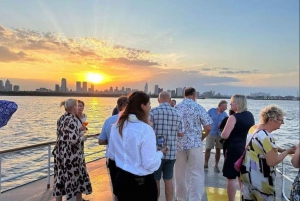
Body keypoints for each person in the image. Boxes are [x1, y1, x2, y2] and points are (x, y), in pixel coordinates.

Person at [107, 91, 168, 201]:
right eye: (149, 104)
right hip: (141, 186)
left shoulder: (116, 126)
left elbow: (111, 155)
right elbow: (149, 164)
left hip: (122, 181)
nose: (150, 107)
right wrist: (160, 154)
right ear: (142, 106)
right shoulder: (145, 129)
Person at [240, 105, 296, 201]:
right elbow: (272, 162)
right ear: (271, 120)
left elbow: (260, 146)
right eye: (280, 120)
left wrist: (280, 150)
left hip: (247, 175)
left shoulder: (254, 128)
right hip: (261, 180)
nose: (282, 123)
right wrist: (287, 152)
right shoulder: (267, 136)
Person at [174, 87, 212, 201]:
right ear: (194, 95)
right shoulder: (198, 107)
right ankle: (194, 198)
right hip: (195, 144)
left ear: (183, 95)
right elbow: (208, 127)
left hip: (179, 144)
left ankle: (180, 198)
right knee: (196, 174)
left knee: (179, 174)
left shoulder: (177, 107)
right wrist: (201, 137)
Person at [52, 99, 92, 201]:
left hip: (60, 153)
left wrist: (77, 130)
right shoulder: (72, 120)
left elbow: (64, 134)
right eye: (77, 106)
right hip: (71, 155)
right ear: (74, 107)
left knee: (60, 178)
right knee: (76, 179)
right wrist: (83, 138)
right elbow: (74, 140)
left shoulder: (61, 118)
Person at [149, 91, 184, 201]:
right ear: (170, 100)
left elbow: (147, 130)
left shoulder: (152, 112)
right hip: (172, 152)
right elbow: (181, 134)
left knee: (156, 179)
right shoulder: (178, 113)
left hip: (156, 152)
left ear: (158, 100)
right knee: (168, 179)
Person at [221, 94, 255, 201]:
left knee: (231, 178)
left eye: (233, 102)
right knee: (242, 177)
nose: (230, 103)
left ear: (238, 103)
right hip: (245, 149)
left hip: (233, 150)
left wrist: (222, 132)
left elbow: (225, 135)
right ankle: (243, 198)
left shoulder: (233, 117)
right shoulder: (250, 115)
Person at [98, 96, 128, 201]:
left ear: (117, 106)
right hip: (128, 160)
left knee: (116, 188)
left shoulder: (109, 121)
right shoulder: (135, 121)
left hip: (113, 159)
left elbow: (101, 141)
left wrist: (111, 141)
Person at [204, 100, 228, 173]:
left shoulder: (225, 114)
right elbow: (205, 119)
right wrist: (204, 130)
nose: (226, 108)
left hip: (220, 134)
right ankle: (205, 163)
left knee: (218, 149)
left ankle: (216, 165)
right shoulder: (211, 111)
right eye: (225, 107)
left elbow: (226, 125)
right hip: (211, 132)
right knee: (208, 148)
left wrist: (222, 125)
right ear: (220, 105)